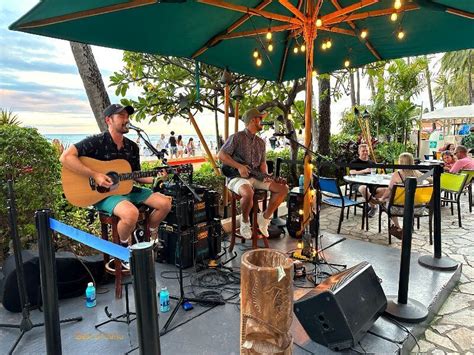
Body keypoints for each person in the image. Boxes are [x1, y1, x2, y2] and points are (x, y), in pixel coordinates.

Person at [60, 104, 172, 254]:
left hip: (127, 189)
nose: (126, 120)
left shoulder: (132, 147)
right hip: (104, 194)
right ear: (108, 120)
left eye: (127, 116)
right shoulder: (96, 141)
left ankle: (148, 235)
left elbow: (136, 175)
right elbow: (65, 157)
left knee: (165, 203)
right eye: (121, 116)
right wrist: (95, 175)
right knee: (131, 213)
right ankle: (124, 248)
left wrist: (156, 179)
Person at [217, 108, 288, 239]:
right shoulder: (236, 137)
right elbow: (221, 155)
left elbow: (262, 163)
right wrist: (239, 167)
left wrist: (266, 176)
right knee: (248, 192)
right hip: (236, 177)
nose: (262, 121)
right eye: (260, 118)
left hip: (255, 177)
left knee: (283, 188)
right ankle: (245, 222)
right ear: (252, 120)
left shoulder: (261, 142)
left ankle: (264, 219)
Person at [376, 152, 429, 240]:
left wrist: (382, 198)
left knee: (388, 202)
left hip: (399, 208)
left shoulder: (397, 175)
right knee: (410, 200)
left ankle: (398, 228)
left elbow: (389, 189)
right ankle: (408, 228)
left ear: (400, 162)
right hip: (418, 208)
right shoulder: (419, 174)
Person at [349, 144, 383, 217]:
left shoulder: (372, 163)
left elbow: (375, 175)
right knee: (364, 188)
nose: (365, 152)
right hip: (357, 184)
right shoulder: (354, 162)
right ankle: (373, 206)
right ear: (359, 152)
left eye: (367, 151)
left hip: (371, 184)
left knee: (387, 189)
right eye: (363, 151)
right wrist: (364, 171)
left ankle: (386, 209)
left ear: (369, 152)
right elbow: (352, 172)